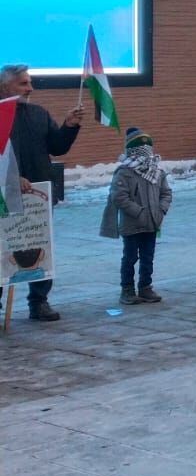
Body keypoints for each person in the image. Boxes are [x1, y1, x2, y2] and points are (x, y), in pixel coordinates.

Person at [0, 63, 82, 320]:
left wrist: (69, 126)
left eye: (30, 82)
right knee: (3, 249)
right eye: (23, 83)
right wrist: (12, 178)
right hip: (4, 196)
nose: (30, 88)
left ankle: (39, 301)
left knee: (38, 245)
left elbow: (57, 148)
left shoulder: (38, 113)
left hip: (38, 195)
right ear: (5, 86)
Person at [99, 128, 172, 305]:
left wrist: (161, 210)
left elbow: (166, 193)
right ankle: (127, 289)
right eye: (141, 150)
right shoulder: (124, 172)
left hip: (152, 222)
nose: (146, 154)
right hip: (132, 224)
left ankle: (146, 287)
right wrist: (138, 211)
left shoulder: (156, 171)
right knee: (130, 257)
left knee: (148, 257)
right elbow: (119, 196)